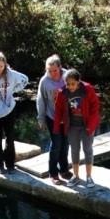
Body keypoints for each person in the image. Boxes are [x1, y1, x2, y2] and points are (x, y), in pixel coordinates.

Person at [53, 68, 100, 188]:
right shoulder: (62, 92)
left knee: (87, 149)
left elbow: (95, 108)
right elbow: (58, 111)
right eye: (68, 84)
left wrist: (91, 126)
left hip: (87, 125)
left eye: (73, 84)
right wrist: (56, 128)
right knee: (74, 150)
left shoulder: (87, 89)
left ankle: (89, 177)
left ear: (78, 82)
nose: (70, 86)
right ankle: (76, 176)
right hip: (73, 126)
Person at [36, 54, 72, 185]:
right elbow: (41, 101)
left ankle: (64, 169)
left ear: (60, 67)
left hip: (68, 118)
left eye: (54, 70)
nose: (52, 73)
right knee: (56, 143)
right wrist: (41, 119)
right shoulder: (44, 81)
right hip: (52, 117)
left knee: (65, 143)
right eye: (49, 70)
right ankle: (53, 173)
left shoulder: (68, 76)